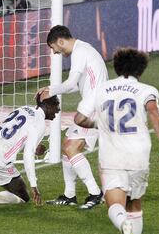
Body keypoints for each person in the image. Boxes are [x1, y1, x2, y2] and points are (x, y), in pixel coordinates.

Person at [74, 47, 159, 234]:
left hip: (112, 157)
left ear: (117, 67)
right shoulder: (147, 90)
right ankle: (130, 228)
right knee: (134, 203)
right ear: (141, 69)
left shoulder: (101, 88)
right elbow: (153, 112)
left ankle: (122, 224)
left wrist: (99, 124)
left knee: (115, 203)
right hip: (138, 156)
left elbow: (79, 119)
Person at [37, 25, 108, 209]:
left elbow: (70, 84)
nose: (55, 52)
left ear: (60, 41)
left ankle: (95, 193)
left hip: (94, 107)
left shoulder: (80, 51)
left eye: (54, 48)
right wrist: (51, 90)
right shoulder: (84, 50)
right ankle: (70, 195)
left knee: (71, 148)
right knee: (67, 147)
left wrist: (50, 90)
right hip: (93, 104)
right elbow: (79, 85)